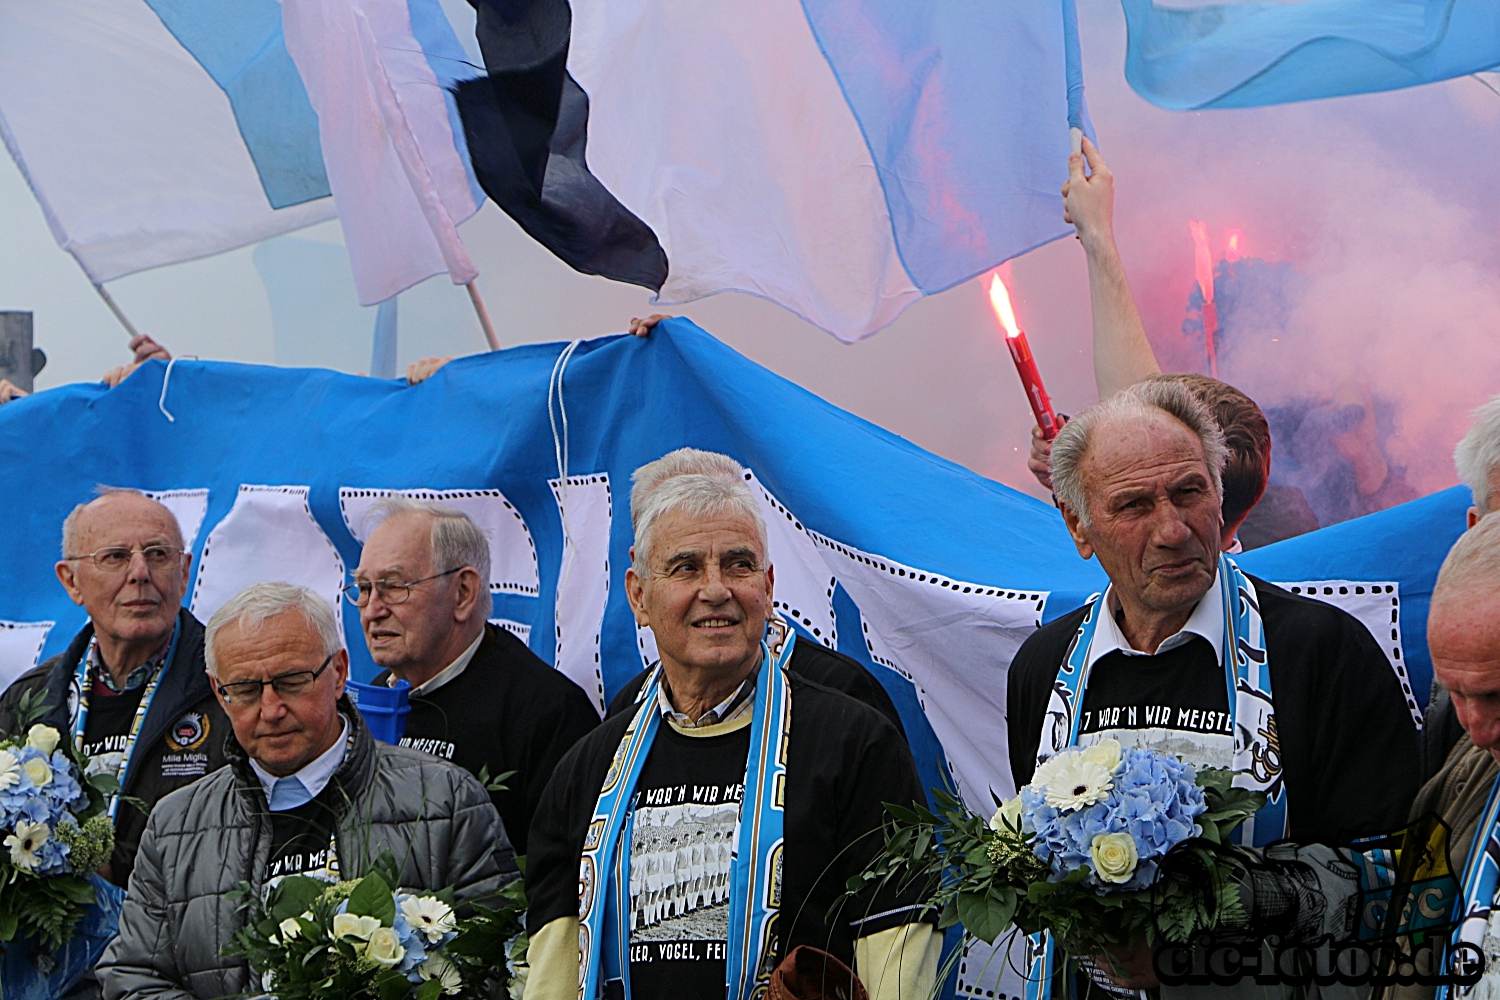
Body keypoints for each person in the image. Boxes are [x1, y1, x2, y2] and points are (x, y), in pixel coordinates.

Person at [1006, 380, 1420, 993]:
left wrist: (1201, 930)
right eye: (1134, 506)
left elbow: (1401, 878)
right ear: (1078, 526)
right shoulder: (1044, 665)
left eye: (1188, 492)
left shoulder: (1320, 652)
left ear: (1220, 496)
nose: (1173, 529)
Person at [524, 448, 937, 1000]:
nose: (715, 588)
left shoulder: (853, 741)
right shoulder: (587, 767)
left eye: (738, 565)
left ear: (767, 588)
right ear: (639, 597)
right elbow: (556, 972)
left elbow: (897, 950)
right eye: (686, 567)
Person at [97, 582, 514, 1000]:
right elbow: (132, 980)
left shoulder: (446, 799)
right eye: (244, 689)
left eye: (293, 680)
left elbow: (494, 970)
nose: (272, 709)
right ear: (218, 694)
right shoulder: (174, 824)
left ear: (338, 673)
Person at [1028, 138, 1318, 550]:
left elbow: (1138, 404)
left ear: (1208, 497)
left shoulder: (1152, 562)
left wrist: (1097, 235)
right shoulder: (1286, 590)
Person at [0, 488, 229, 891]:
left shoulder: (234, 688)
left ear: (185, 572)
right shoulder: (27, 700)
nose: (140, 572)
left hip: (186, 943)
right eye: (115, 557)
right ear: (71, 581)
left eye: (159, 554)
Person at [353, 495, 599, 856]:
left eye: (394, 586)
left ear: (463, 593)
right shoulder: (367, 707)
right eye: (363, 589)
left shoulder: (547, 713)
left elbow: (563, 875)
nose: (373, 609)